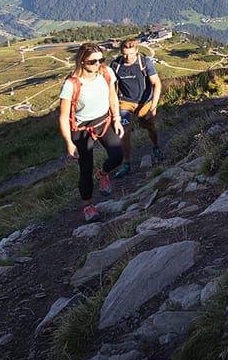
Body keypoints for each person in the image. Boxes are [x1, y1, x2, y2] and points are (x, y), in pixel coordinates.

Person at [58, 43, 123, 222]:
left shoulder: (106, 72)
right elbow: (63, 117)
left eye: (100, 60)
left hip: (104, 122)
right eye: (92, 61)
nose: (97, 64)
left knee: (117, 155)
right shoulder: (71, 84)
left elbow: (112, 96)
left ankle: (103, 173)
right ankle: (88, 205)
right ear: (81, 61)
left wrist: (117, 118)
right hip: (81, 129)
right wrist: (69, 142)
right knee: (85, 168)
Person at [109, 38, 164, 176]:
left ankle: (155, 147)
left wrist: (153, 107)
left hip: (145, 101)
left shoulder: (144, 62)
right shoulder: (115, 65)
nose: (127, 57)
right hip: (125, 102)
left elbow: (156, 83)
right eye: (124, 54)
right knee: (124, 132)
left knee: (149, 127)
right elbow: (111, 88)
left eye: (131, 54)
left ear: (137, 51)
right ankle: (126, 163)